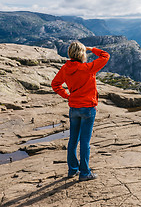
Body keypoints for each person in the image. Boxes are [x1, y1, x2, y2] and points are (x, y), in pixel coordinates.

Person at [51, 41, 110, 181]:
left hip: (74, 108)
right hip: (88, 109)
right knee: (85, 142)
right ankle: (84, 173)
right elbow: (105, 55)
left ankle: (72, 170)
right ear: (82, 54)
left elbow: (55, 84)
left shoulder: (65, 68)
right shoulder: (88, 68)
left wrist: (67, 96)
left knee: (73, 140)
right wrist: (91, 48)